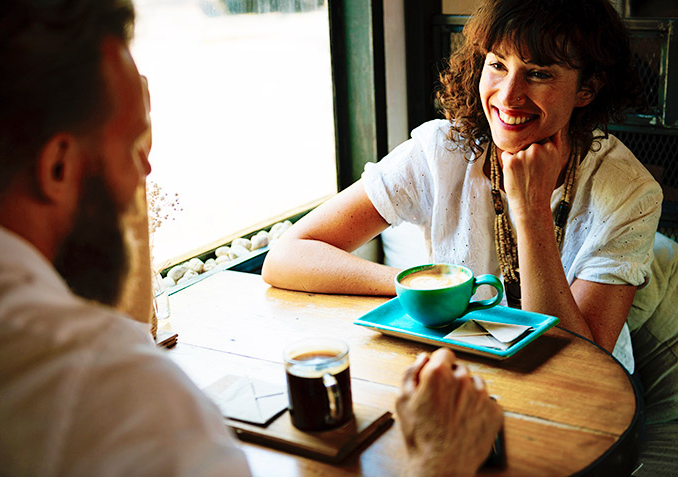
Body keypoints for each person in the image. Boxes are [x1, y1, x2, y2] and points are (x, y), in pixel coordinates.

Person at [0, 0, 502, 475]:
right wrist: (439, 460)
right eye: (134, 145)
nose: (147, 171)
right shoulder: (117, 393)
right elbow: (283, 256)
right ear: (57, 167)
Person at [262, 0, 663, 373]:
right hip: (463, 370)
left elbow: (579, 364)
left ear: (587, 89)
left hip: (589, 397)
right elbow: (285, 257)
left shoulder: (630, 192)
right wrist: (425, 292)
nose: (508, 96)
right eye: (498, 64)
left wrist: (532, 212)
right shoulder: (442, 150)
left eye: (539, 73)